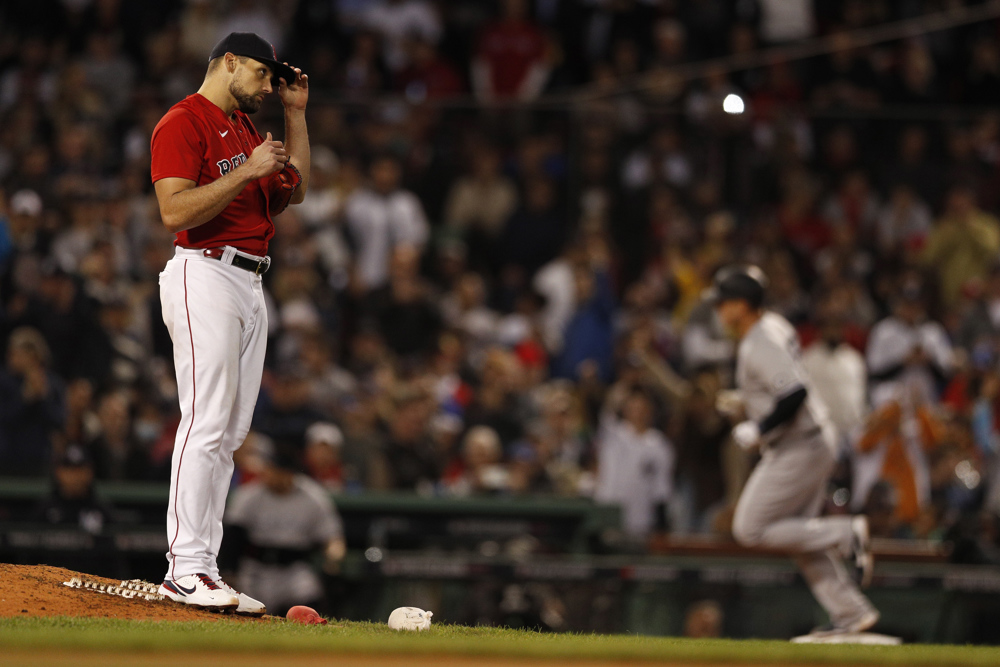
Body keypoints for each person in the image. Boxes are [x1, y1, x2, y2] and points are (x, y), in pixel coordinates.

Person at [150, 32, 311, 613]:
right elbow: (174, 211)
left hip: (250, 281)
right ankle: (183, 568)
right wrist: (245, 172)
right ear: (229, 63)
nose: (269, 87)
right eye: (263, 75)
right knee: (206, 421)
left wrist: (296, 115)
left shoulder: (243, 128)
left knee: (230, 433)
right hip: (205, 272)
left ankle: (205, 567)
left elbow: (294, 194)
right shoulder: (183, 121)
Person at [711, 266, 878, 639]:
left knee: (750, 528)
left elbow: (794, 393)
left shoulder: (759, 341)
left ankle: (846, 534)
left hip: (800, 445)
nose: (719, 310)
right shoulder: (773, 324)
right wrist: (748, 400)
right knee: (799, 535)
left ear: (741, 305)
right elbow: (783, 385)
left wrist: (758, 427)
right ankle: (851, 613)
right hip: (811, 439)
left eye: (723, 303)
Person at [223, 446, 345, 618]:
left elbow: (333, 538)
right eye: (272, 470)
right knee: (245, 611)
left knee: (311, 600)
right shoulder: (249, 495)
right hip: (255, 568)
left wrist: (333, 557)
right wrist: (229, 571)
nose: (275, 476)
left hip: (293, 571)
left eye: (281, 472)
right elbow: (232, 537)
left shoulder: (314, 497)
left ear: (292, 474)